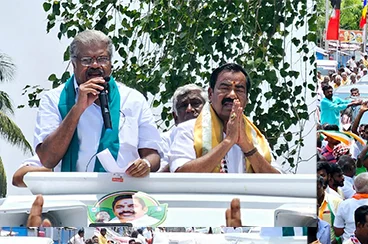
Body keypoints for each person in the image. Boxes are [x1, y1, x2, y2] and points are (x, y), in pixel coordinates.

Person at [33, 30, 161, 175]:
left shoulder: (133, 99)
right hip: (72, 188)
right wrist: (77, 109)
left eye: (102, 59)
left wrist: (145, 164)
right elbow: (47, 159)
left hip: (124, 187)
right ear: (74, 64)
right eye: (86, 60)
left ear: (110, 63)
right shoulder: (53, 100)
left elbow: (153, 155)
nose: (95, 65)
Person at [169, 63, 279, 173]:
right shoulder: (188, 130)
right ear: (210, 94)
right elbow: (181, 174)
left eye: (239, 90)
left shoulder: (255, 137)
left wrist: (248, 147)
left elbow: (278, 180)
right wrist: (228, 141)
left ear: (246, 100)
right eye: (225, 88)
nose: (232, 95)